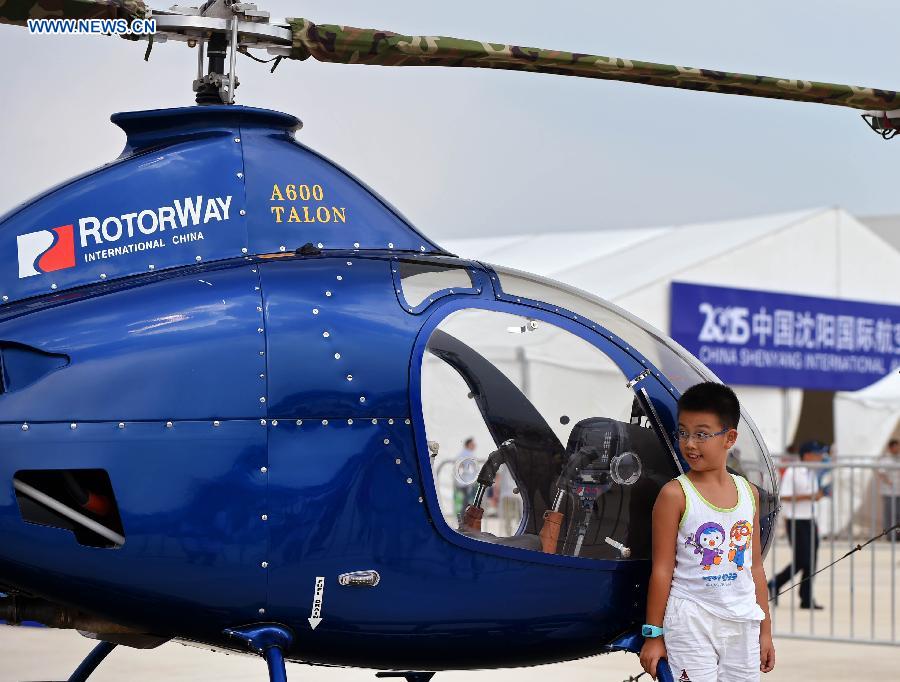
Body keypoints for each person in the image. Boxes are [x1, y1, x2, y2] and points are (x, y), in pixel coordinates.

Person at [640, 382, 774, 681]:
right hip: (690, 621)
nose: (689, 443)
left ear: (730, 438)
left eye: (701, 434)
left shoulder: (749, 493)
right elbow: (662, 570)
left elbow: (754, 568)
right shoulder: (675, 495)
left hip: (743, 622)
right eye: (683, 432)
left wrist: (765, 631)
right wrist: (653, 634)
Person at [768, 440, 827, 610]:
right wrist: (811, 496)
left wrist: (817, 496)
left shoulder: (811, 473)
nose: (820, 458)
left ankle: (806, 598)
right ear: (807, 455)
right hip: (796, 520)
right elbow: (785, 496)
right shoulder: (794, 472)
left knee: (812, 560)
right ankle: (775, 583)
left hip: (810, 519)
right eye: (817, 454)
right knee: (802, 559)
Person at [878, 439, 900, 541]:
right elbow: (881, 472)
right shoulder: (885, 459)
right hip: (889, 491)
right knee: (890, 515)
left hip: (898, 491)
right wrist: (889, 482)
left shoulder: (898, 458)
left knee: (898, 514)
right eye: (896, 446)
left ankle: (898, 535)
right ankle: (890, 536)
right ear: (891, 447)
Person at [453, 437, 478, 518]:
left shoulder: (462, 453)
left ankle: (462, 519)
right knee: (466, 502)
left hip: (462, 482)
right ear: (469, 444)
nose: (475, 445)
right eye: (473, 443)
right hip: (466, 482)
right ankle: (464, 519)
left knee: (464, 501)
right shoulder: (468, 454)